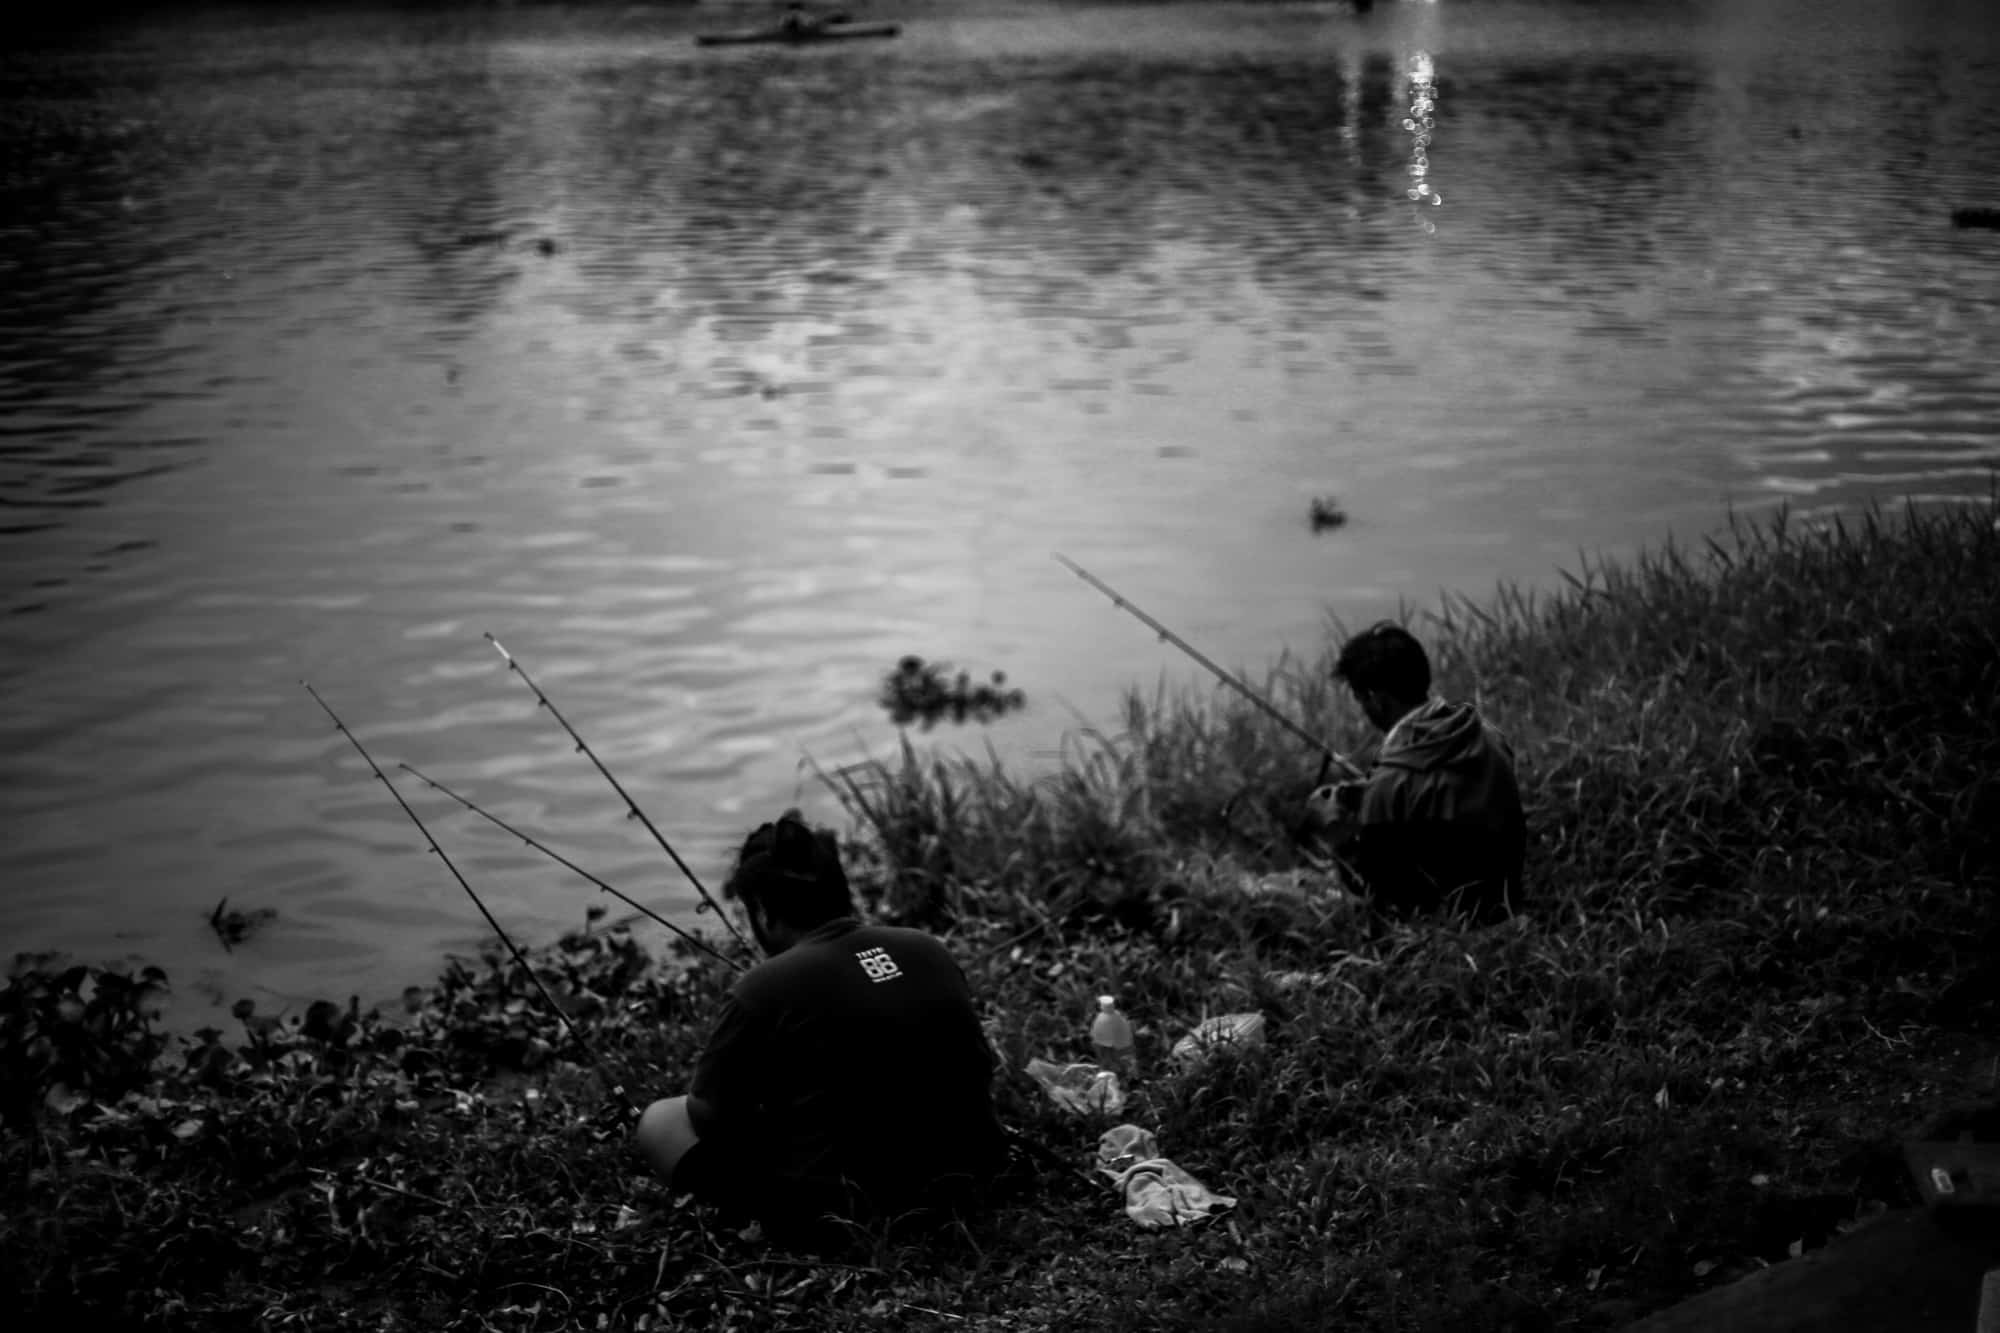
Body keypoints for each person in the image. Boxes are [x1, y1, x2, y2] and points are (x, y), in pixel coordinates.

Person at [633, 810, 1008, 1241]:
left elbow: (707, 1116)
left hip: (853, 1210)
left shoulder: (759, 988)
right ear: (841, 892)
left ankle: (771, 1220)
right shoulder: (927, 948)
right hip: (976, 1168)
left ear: (761, 911)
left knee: (660, 1120)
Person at [1309, 622, 1525, 923]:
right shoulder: (1489, 736)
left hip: (1451, 938)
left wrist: (1337, 832)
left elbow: (1381, 904)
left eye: (1361, 701)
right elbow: (1447, 789)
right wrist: (1372, 793)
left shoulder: (1388, 787)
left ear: (1376, 698)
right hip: (1508, 908)